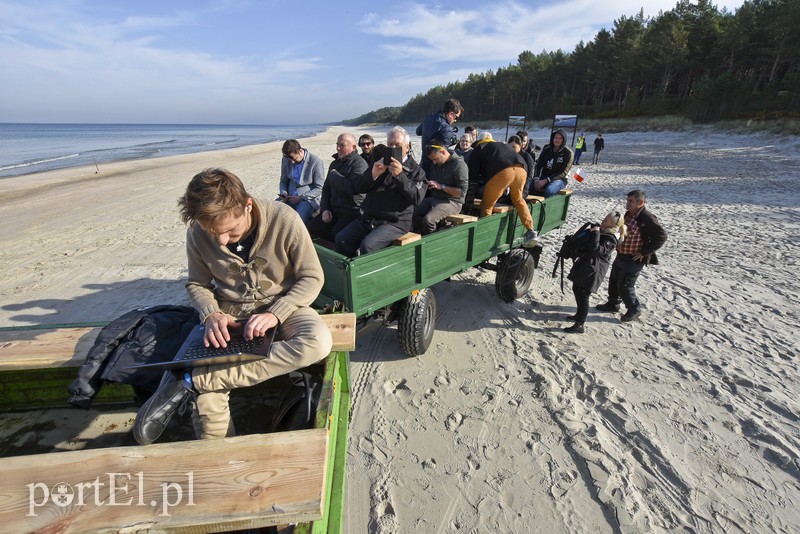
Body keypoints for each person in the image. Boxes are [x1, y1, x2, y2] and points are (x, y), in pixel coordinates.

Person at [133, 168, 333, 444]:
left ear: (247, 205)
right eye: (212, 233)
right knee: (207, 407)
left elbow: (312, 278)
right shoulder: (196, 233)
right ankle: (220, 461)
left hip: (286, 307)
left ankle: (193, 380)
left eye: (229, 231)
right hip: (229, 314)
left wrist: (276, 314)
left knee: (319, 342)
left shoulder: (284, 219)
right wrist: (211, 313)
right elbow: (197, 284)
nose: (221, 241)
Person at [335, 126, 427, 256]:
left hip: (395, 222)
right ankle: (352, 272)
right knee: (342, 239)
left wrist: (400, 175)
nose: (393, 148)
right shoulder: (380, 162)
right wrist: (373, 174)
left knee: (368, 246)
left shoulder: (417, 171)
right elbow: (359, 187)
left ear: (408, 146)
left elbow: (416, 198)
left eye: (398, 145)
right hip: (370, 217)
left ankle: (372, 273)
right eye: (390, 144)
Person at [596, 190, 668, 322]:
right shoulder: (629, 214)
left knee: (625, 285)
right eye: (627, 200)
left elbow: (661, 236)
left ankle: (634, 309)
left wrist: (644, 252)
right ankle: (613, 304)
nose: (627, 204)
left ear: (640, 203)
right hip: (622, 254)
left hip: (634, 258)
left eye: (631, 201)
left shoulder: (647, 217)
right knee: (614, 280)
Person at [467, 132, 538, 247]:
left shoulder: (479, 149)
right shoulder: (500, 145)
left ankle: (485, 235)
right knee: (518, 200)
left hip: (504, 172)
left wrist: (469, 202)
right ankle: (531, 231)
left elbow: (473, 178)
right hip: (522, 169)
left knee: (487, 204)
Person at [563, 212, 626, 334]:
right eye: (605, 218)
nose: (604, 221)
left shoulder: (611, 239)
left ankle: (580, 324)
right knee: (576, 288)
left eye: (607, 220)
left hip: (594, 271)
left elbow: (595, 250)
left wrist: (596, 233)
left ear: (613, 224)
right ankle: (578, 315)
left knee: (583, 295)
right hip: (587, 266)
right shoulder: (604, 232)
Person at [307, 133, 369, 243]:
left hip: (353, 211)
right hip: (334, 209)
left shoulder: (359, 164)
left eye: (342, 145)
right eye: (337, 144)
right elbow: (326, 189)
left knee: (336, 233)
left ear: (353, 147)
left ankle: (340, 254)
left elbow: (353, 188)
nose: (338, 148)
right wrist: (325, 209)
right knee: (312, 227)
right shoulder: (334, 164)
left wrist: (335, 176)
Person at [413, 139, 468, 235]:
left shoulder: (459, 164)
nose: (434, 162)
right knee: (409, 211)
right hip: (435, 198)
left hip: (452, 201)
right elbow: (435, 183)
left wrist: (441, 187)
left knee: (428, 220)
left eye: (435, 159)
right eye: (432, 160)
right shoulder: (436, 164)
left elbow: (461, 192)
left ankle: (432, 242)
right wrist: (431, 186)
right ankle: (424, 234)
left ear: (443, 152)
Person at [278, 139, 326, 224]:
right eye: (289, 158)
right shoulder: (286, 160)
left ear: (300, 151)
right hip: (288, 198)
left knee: (297, 222)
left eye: (293, 158)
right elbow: (283, 181)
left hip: (307, 200)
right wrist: (283, 193)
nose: (292, 161)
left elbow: (320, 188)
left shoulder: (316, 162)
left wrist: (301, 198)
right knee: (274, 215)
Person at [416, 98, 464, 175]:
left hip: (423, 163)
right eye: (456, 117)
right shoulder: (446, 128)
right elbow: (443, 154)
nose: (455, 120)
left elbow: (418, 132)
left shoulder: (429, 118)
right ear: (451, 114)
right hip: (435, 167)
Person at [532, 129, 573, 197]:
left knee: (549, 190)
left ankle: (548, 207)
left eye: (560, 138)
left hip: (559, 179)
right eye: (556, 137)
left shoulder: (568, 153)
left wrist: (546, 180)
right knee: (528, 186)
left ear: (563, 140)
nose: (557, 140)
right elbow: (538, 165)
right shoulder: (547, 149)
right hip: (544, 175)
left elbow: (563, 172)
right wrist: (536, 178)